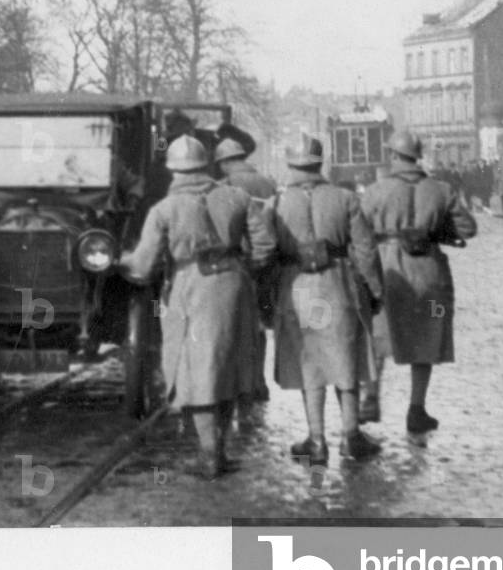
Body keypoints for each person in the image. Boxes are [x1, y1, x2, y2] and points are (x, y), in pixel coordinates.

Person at [120, 135, 276, 479]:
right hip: (236, 286)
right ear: (207, 164)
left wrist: (124, 259)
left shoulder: (163, 210)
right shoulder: (237, 197)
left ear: (173, 171)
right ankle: (220, 446)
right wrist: (244, 269)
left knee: (200, 370)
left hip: (192, 288)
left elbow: (143, 267)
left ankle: (210, 453)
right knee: (229, 365)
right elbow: (265, 245)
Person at [270, 136, 383, 464]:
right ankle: (351, 435)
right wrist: (375, 290)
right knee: (346, 358)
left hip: (297, 288)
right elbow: (365, 250)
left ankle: (316, 439)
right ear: (321, 163)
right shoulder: (346, 199)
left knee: (310, 362)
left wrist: (268, 294)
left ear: (291, 165)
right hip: (338, 284)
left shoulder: (277, 204)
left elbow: (267, 251)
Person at [360, 131, 477, 433]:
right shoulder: (441, 189)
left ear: (394, 155)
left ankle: (371, 398)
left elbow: (359, 232)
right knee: (429, 330)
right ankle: (417, 409)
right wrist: (439, 231)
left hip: (389, 270)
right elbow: (468, 228)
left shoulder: (375, 191)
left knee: (377, 333)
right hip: (430, 272)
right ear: (417, 155)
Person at [213, 129, 277, 417]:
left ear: (224, 162)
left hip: (236, 265)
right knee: (261, 325)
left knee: (234, 326)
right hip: (266, 263)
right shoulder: (267, 182)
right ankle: (259, 380)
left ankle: (239, 383)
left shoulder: (223, 185)